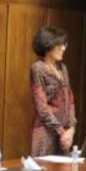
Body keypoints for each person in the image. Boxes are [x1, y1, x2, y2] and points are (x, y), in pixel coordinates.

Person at [30, 25, 77, 155]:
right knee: (46, 167)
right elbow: (42, 107)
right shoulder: (38, 69)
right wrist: (61, 131)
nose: (63, 48)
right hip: (46, 134)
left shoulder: (63, 68)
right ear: (48, 45)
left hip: (65, 135)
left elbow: (70, 101)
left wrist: (71, 129)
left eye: (64, 44)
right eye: (59, 45)